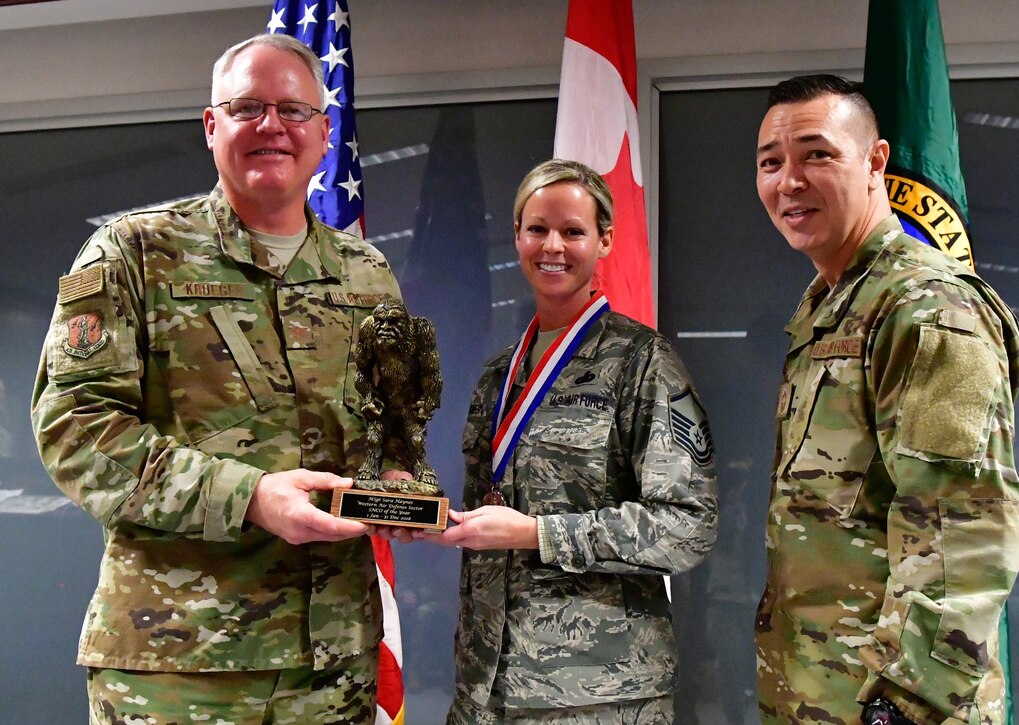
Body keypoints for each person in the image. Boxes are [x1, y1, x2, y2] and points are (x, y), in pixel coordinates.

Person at [31, 34, 401, 724]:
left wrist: (399, 485)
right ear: (211, 126)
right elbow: (76, 431)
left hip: (335, 665)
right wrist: (249, 496)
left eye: (293, 111)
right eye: (248, 107)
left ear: (325, 132)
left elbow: (387, 424)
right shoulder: (135, 252)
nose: (272, 127)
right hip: (183, 666)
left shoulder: (367, 273)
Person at [753, 74, 1019, 725]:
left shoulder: (928, 307)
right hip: (821, 693)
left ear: (876, 161)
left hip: (895, 705)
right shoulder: (828, 305)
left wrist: (907, 705)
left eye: (816, 153)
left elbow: (965, 524)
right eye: (771, 162)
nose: (789, 181)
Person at [414, 159, 718, 723]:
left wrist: (539, 534)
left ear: (604, 240)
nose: (552, 245)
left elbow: (687, 526)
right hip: (485, 687)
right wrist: (431, 521)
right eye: (537, 229)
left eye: (573, 231)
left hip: (598, 694)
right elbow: (492, 513)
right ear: (517, 236)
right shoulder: (498, 375)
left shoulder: (644, 364)